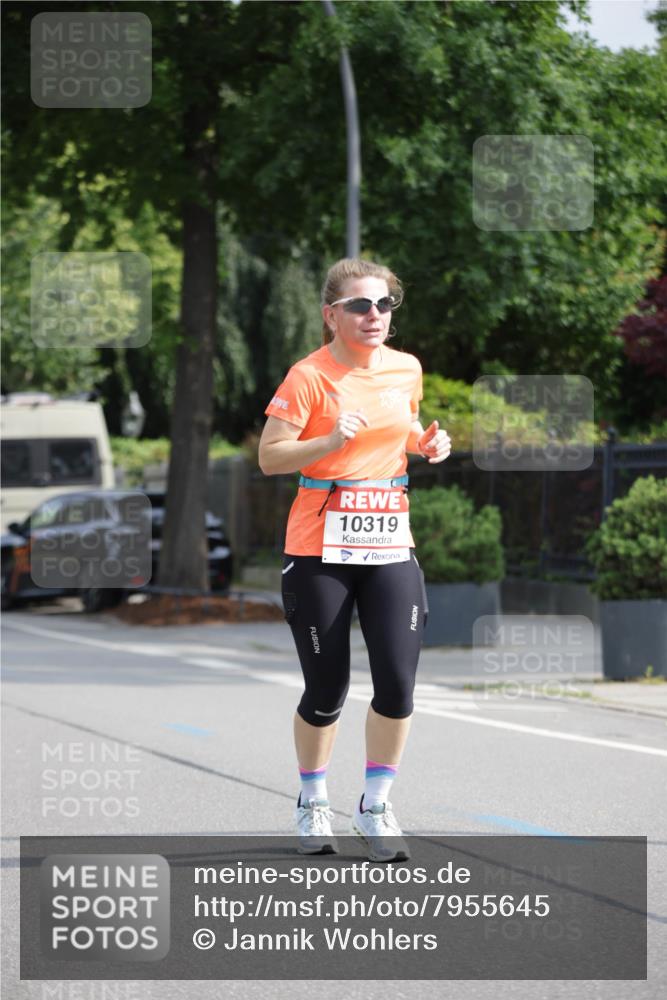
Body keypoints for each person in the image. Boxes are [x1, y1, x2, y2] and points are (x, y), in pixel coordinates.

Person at [258, 258, 451, 861]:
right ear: (331, 315)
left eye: (385, 304)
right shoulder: (309, 376)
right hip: (319, 547)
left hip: (389, 541)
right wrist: (329, 440)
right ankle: (313, 801)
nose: (375, 315)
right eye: (361, 306)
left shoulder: (405, 367)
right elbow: (271, 457)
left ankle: (375, 805)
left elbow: (405, 423)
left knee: (398, 684)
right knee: (327, 688)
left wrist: (425, 442)